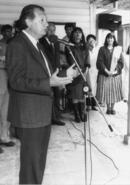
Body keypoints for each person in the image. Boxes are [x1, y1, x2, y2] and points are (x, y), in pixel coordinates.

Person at [6, 4, 76, 184]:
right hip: (29, 116)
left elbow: (45, 74)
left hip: (42, 113)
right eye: (42, 20)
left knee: (38, 163)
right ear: (28, 22)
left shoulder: (39, 45)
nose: (46, 24)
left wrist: (63, 76)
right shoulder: (17, 44)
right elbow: (15, 81)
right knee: (31, 166)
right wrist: (49, 83)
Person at [39, 22, 65, 126]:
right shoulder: (40, 41)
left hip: (56, 72)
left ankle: (56, 117)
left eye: (53, 30)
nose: (52, 32)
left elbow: (57, 56)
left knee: (57, 95)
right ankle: (47, 118)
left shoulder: (56, 42)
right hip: (45, 73)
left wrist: (58, 68)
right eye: (49, 30)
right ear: (45, 30)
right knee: (47, 95)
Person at [66, 27, 90, 122]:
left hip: (84, 72)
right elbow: (70, 59)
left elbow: (87, 59)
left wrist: (86, 69)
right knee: (75, 94)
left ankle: (82, 112)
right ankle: (76, 114)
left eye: (79, 32)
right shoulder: (69, 46)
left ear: (82, 35)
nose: (77, 34)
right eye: (75, 33)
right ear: (73, 35)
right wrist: (76, 70)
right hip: (74, 72)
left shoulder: (85, 46)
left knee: (83, 94)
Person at [96, 33, 124, 115]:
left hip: (115, 75)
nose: (110, 40)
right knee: (107, 91)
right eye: (108, 38)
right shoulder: (102, 49)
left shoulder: (118, 49)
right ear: (106, 39)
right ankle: (108, 108)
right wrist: (106, 71)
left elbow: (121, 62)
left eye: (112, 38)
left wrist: (115, 71)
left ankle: (113, 108)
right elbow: (100, 62)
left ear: (114, 39)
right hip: (105, 74)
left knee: (114, 91)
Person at [0, 24, 15, 154]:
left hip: (11, 79)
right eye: (6, 32)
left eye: (10, 31)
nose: (9, 34)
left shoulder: (14, 46)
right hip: (1, 77)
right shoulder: (0, 45)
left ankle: (4, 137)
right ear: (2, 33)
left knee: (6, 110)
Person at [86, 34, 99, 110]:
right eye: (89, 41)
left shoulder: (97, 50)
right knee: (88, 87)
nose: (91, 42)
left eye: (93, 41)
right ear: (87, 42)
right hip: (88, 71)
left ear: (95, 41)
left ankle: (94, 104)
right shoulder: (86, 50)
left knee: (95, 88)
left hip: (96, 71)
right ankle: (88, 105)